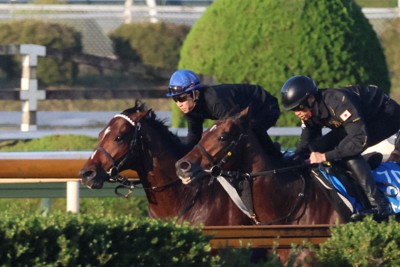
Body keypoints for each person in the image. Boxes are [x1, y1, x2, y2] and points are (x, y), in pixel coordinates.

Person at [281, 75, 400, 220]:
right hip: (361, 119)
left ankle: (380, 205)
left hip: (385, 115)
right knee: (316, 146)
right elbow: (306, 145)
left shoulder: (338, 103)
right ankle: (364, 165)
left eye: (299, 108)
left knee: (347, 150)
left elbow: (358, 141)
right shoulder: (310, 111)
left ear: (311, 99)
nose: (297, 113)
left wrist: (324, 157)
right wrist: (292, 160)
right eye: (293, 110)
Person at [166, 69, 281, 157]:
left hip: (266, 106)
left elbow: (231, 132)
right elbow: (194, 137)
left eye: (181, 98)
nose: (179, 104)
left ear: (195, 94)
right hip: (243, 109)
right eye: (175, 99)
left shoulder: (216, 101)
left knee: (249, 131)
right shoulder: (191, 108)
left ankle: (275, 155)